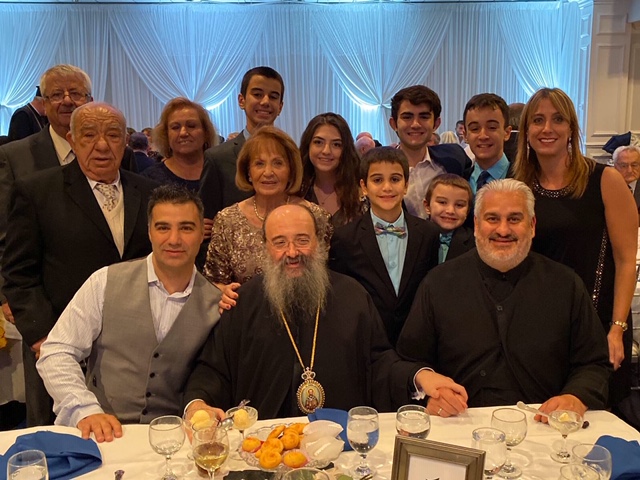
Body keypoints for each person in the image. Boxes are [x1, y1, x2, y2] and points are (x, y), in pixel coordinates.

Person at [184, 204, 463, 419]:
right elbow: (214, 369)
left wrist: (419, 378)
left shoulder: (352, 296)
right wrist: (198, 404)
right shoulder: (243, 301)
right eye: (280, 242)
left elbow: (378, 363)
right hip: (264, 445)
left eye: (302, 240)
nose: (292, 252)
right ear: (265, 247)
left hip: (339, 441)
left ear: (319, 243)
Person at [396, 179, 611, 419]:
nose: (503, 230)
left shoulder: (566, 285)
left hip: (545, 425)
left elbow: (594, 363)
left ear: (532, 225)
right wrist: (430, 396)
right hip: (457, 423)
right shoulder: (437, 284)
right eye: (492, 218)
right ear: (476, 225)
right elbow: (408, 362)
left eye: (514, 219)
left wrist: (576, 397)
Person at [2, 102, 157, 426]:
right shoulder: (37, 191)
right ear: (71, 139)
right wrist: (42, 336)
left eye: (112, 135)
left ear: (125, 142)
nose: (102, 145)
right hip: (63, 345)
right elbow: (19, 273)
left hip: (134, 349)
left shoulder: (148, 191)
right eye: (89, 135)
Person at [36, 185, 220, 442]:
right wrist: (84, 409)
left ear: (202, 233)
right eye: (163, 227)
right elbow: (57, 351)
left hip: (175, 438)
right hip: (102, 434)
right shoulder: (105, 281)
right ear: (149, 231)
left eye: (186, 228)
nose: (174, 239)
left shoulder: (216, 303)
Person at [513, 88, 638, 412]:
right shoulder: (519, 185)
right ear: (526, 130)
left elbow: (626, 260)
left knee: (598, 418)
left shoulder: (605, 180)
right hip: (541, 326)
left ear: (571, 128)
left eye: (557, 119)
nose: (547, 128)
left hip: (599, 322)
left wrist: (617, 328)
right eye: (537, 120)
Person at [204, 126, 331, 312]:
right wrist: (222, 292)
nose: (268, 172)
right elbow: (213, 282)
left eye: (278, 163)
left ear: (291, 170)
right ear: (248, 171)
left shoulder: (316, 217)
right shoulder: (227, 220)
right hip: (247, 316)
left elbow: (325, 275)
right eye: (259, 164)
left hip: (306, 313)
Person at [329, 147, 439, 346]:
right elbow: (341, 297)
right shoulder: (345, 238)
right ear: (364, 187)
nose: (387, 187)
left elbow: (430, 290)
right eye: (377, 180)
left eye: (395, 179)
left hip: (416, 340)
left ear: (406, 185)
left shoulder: (428, 234)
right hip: (367, 340)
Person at [198, 66, 285, 222]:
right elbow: (207, 221)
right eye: (257, 94)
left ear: (280, 107)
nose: (265, 101)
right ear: (241, 100)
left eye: (273, 97)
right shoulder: (217, 158)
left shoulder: (290, 156)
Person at [389, 85, 472, 219]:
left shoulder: (455, 158)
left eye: (424, 117)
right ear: (394, 124)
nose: (415, 124)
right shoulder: (380, 169)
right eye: (407, 117)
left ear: (436, 124)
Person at [299, 113, 364, 227]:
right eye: (318, 142)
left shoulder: (361, 191)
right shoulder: (297, 190)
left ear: (346, 149)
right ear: (308, 145)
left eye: (336, 144)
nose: (326, 151)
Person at [142, 97, 218, 192]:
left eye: (191, 126)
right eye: (175, 127)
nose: (183, 133)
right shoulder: (149, 179)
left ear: (206, 132)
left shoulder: (223, 173)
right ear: (166, 135)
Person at [464, 93, 513, 194]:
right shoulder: (461, 179)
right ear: (465, 136)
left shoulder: (525, 179)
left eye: (492, 127)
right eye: (475, 129)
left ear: (507, 133)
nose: (483, 136)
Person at [423, 173, 474, 263]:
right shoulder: (413, 236)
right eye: (442, 202)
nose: (450, 211)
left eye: (459, 205)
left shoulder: (474, 244)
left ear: (467, 211)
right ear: (427, 206)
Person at [612, 145, 640, 210]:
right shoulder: (607, 186)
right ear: (615, 166)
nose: (630, 170)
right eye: (624, 166)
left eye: (634, 165)